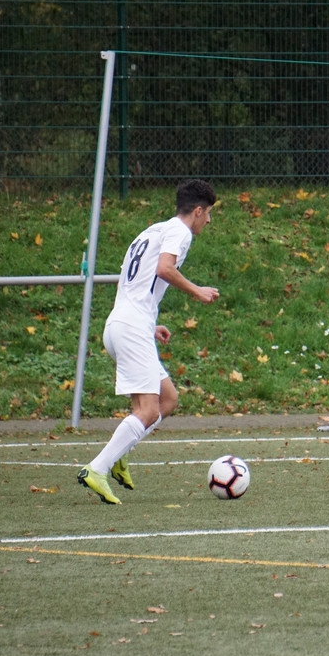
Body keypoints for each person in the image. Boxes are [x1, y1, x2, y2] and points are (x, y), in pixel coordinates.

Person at [78, 179, 220, 505]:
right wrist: (197, 290)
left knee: (168, 399)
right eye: (209, 213)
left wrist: (149, 323)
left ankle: (119, 454)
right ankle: (97, 469)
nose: (209, 220)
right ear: (198, 211)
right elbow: (164, 268)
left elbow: (135, 281)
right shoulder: (180, 233)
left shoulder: (152, 231)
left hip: (123, 324)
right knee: (148, 410)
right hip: (130, 328)